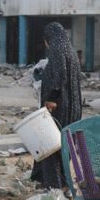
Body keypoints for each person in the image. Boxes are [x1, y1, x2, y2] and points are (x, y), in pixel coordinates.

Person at [31, 22, 83, 189]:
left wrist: (50, 99)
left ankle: (53, 185)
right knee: (63, 146)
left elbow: (57, 79)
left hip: (58, 108)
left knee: (50, 145)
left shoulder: (57, 52)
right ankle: (63, 182)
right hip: (72, 109)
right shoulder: (71, 53)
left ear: (49, 39)